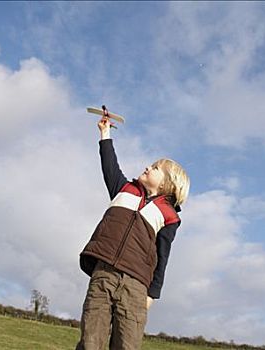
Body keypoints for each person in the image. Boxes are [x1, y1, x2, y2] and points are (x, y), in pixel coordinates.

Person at [75, 115, 190, 350]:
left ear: (168, 184)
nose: (148, 166)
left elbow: (162, 257)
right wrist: (105, 134)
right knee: (90, 342)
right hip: (103, 274)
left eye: (155, 167)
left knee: (127, 344)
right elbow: (109, 164)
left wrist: (152, 294)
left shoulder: (169, 217)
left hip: (136, 286)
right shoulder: (123, 189)